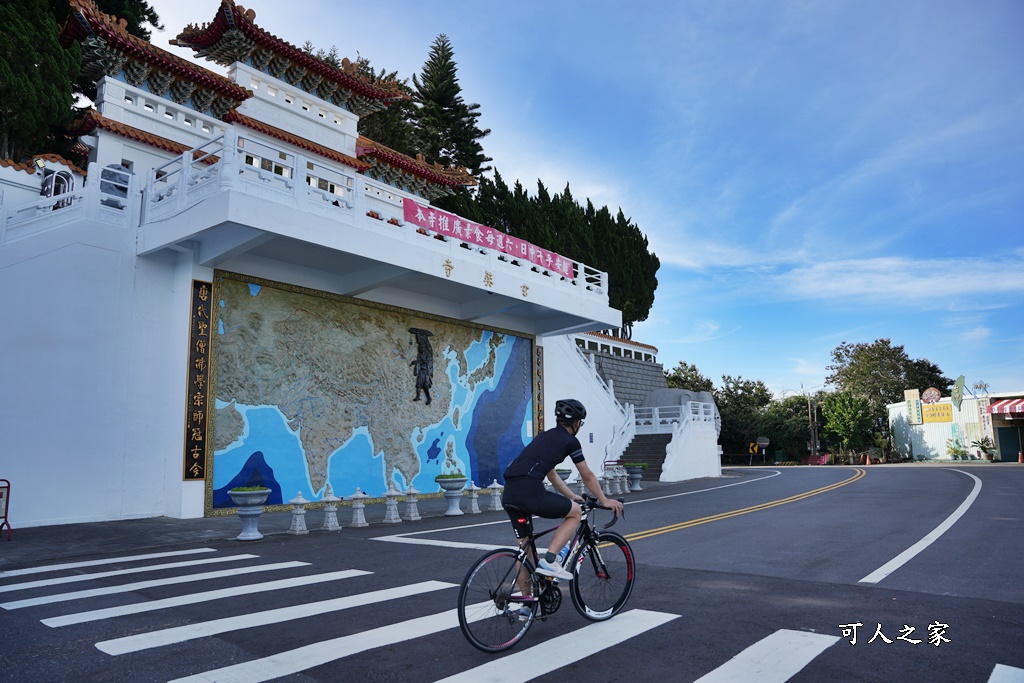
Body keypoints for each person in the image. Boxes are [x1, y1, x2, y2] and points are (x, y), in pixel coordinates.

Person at [502, 398, 624, 581]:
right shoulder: (570, 441)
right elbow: (587, 474)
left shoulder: (542, 437)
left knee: (525, 549)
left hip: (510, 493)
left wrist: (571, 495)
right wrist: (604, 500)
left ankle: (527, 605)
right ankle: (550, 561)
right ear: (576, 423)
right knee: (575, 513)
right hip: (529, 490)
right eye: (580, 423)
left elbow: (552, 475)